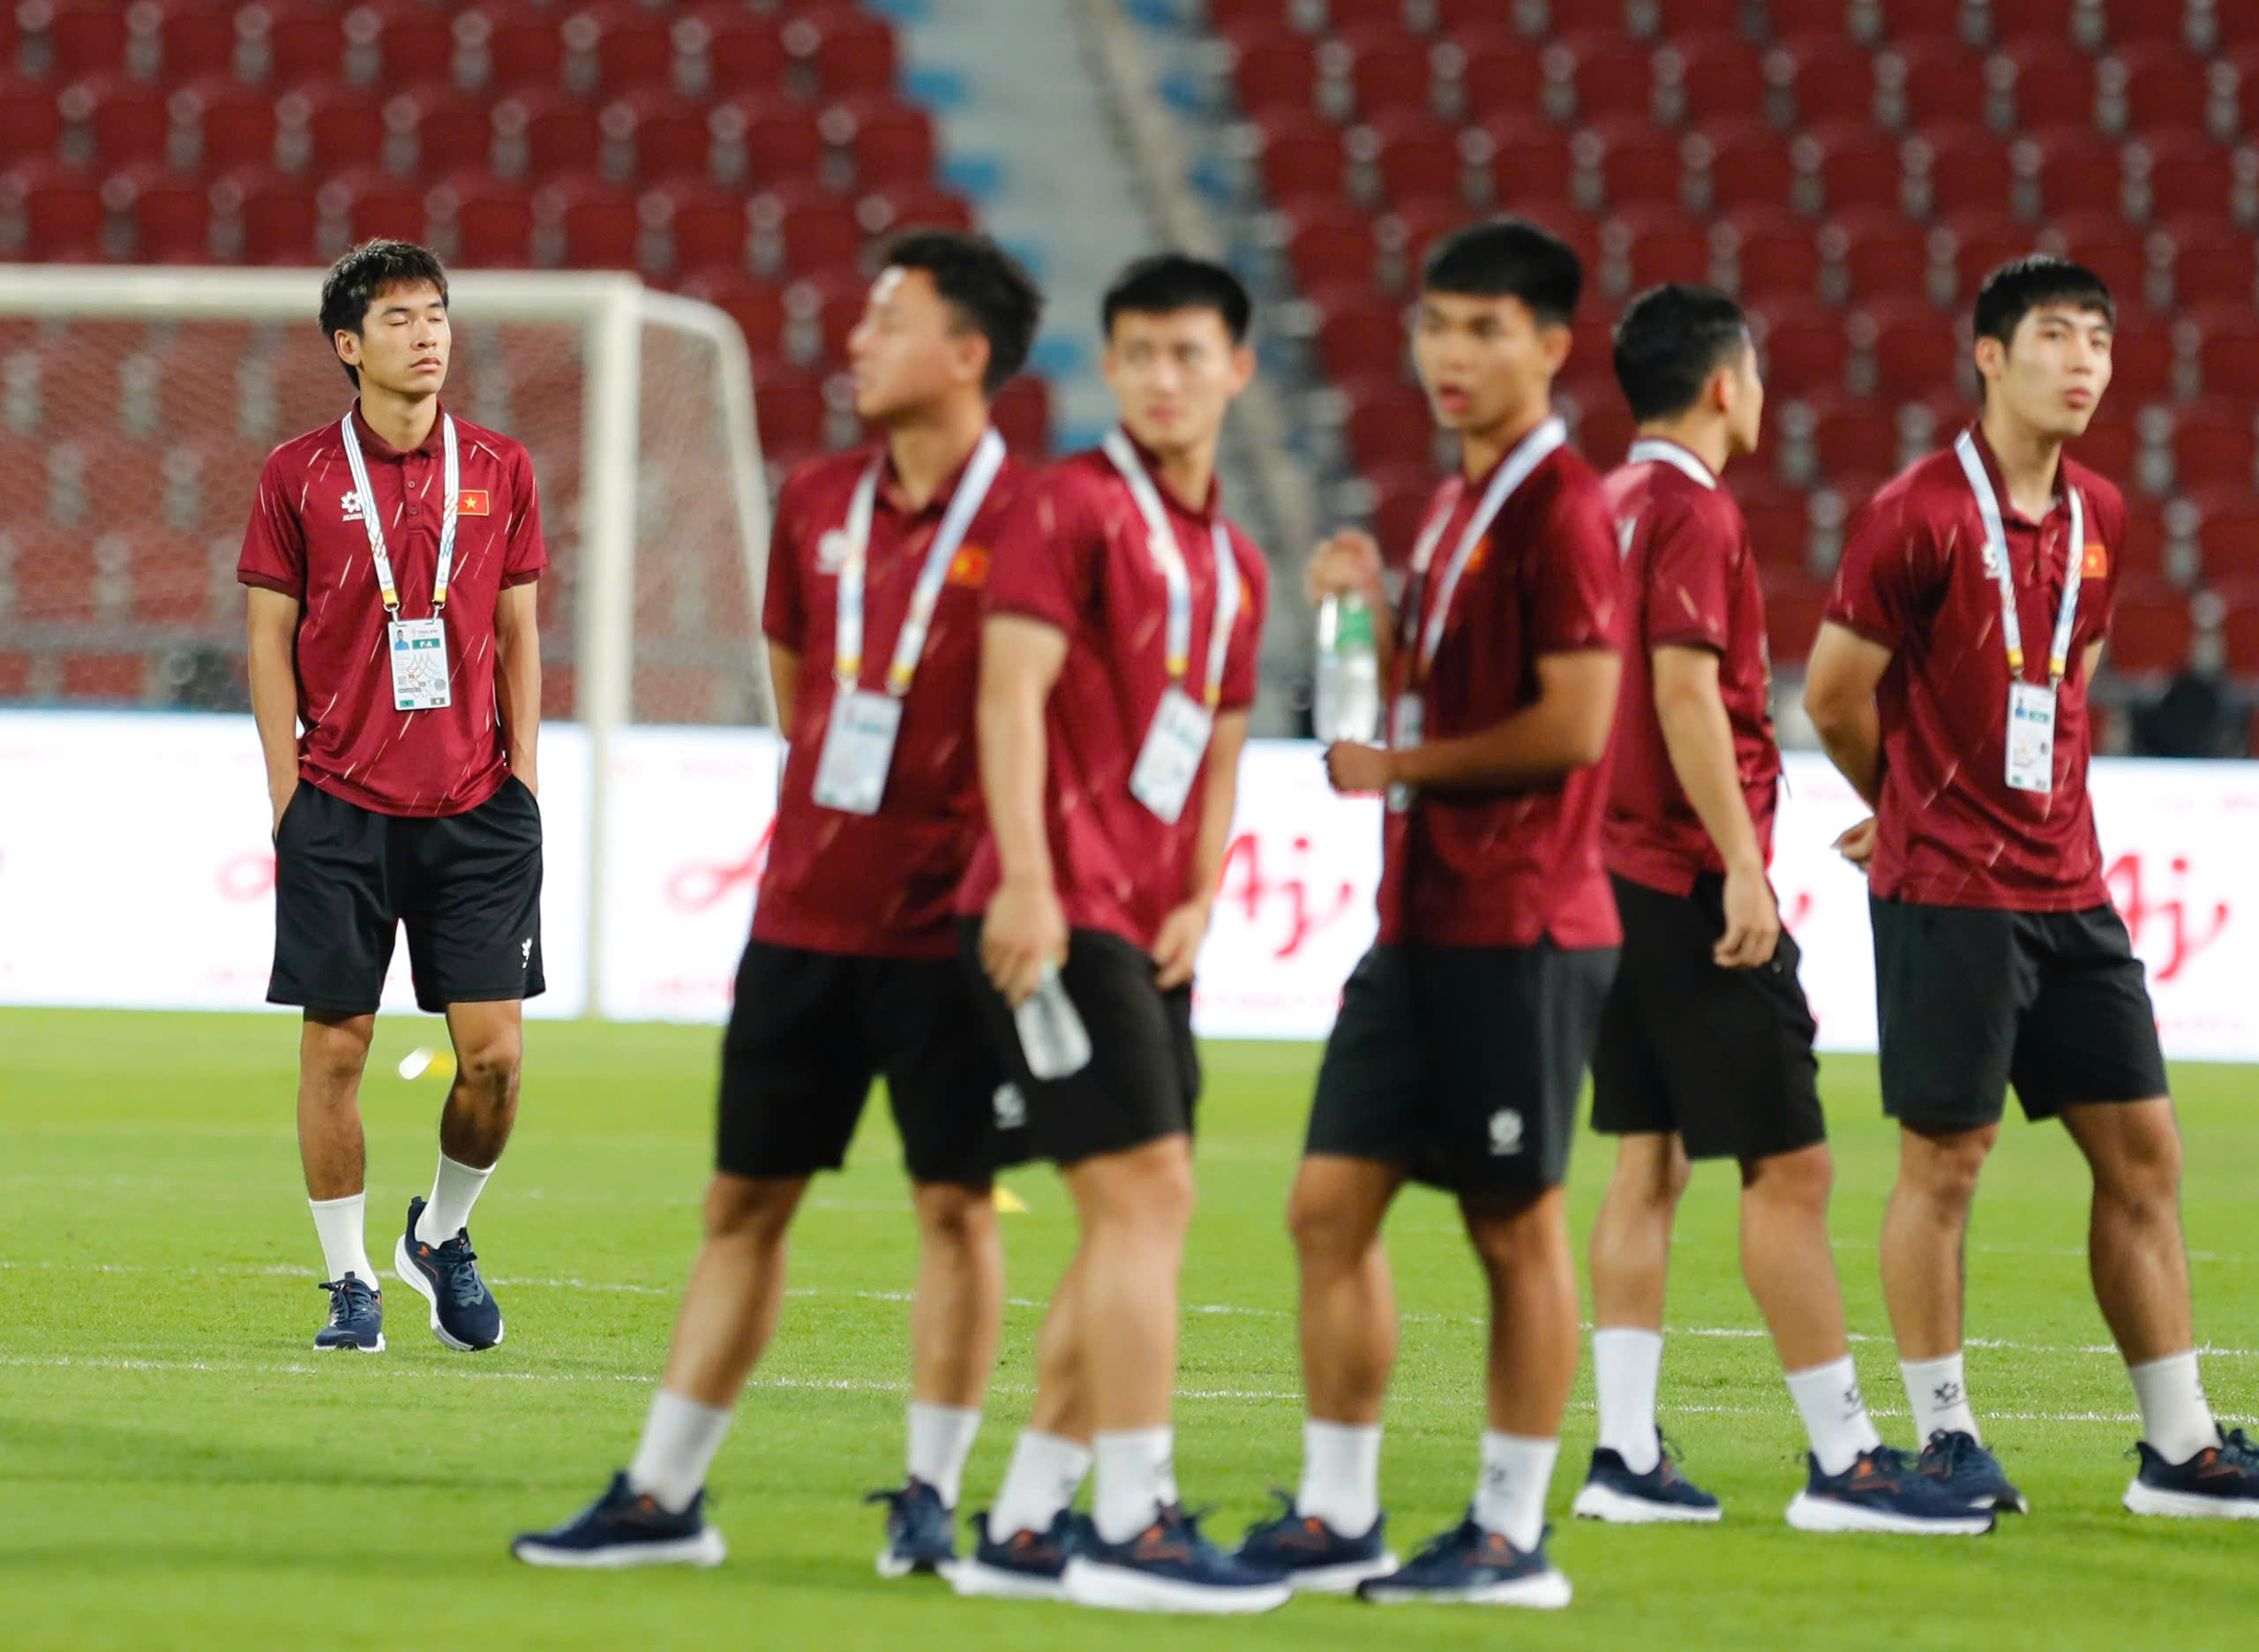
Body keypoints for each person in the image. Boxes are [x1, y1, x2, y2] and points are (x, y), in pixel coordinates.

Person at [512, 232, 1046, 1571]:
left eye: (889, 320)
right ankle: (662, 1497)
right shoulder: (814, 501)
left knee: (956, 1208)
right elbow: (801, 696)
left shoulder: (1040, 521)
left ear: (966, 353)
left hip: (953, 927)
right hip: (804, 918)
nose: (857, 341)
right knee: (742, 1208)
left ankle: (930, 1496)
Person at [1804, 254, 2259, 1518]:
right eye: (2054, 336)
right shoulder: (1914, 512)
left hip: (2069, 886)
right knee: (1946, 1163)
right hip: (1949, 889)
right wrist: (1907, 802)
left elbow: (2067, 673)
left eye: (2098, 340)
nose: (2082, 362)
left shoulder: (2102, 512)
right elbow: (1833, 695)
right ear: (1991, 356)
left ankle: (2179, 1448)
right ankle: (1946, 1439)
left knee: (2144, 1155)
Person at [1234, 218, 1621, 1608]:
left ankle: (1510, 1536)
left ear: (1552, 346)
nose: (1453, 354)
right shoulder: (1457, 502)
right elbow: (1452, 687)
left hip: (1522, 922)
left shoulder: (1562, 508)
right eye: (1438, 325)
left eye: (1487, 329)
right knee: (1326, 1210)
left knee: (1515, 1230)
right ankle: (1341, 1515)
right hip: (1422, 926)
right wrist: (1373, 621)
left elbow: (1576, 724)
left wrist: (1398, 769)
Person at [1572, 284, 1988, 1535]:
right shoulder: (1693, 511)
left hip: (1600, 873)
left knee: (1649, 1160)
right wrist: (1740, 867)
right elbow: (1685, 695)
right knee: (1788, 1168)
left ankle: (1624, 1456)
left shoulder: (1598, 504)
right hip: (1683, 876)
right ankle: (1845, 1461)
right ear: (1722, 385)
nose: (1760, 392)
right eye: (1752, 373)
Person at [950, 253, 1280, 1613]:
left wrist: (1198, 895)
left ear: (1237, 370)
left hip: (1146, 927)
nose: (1161, 378)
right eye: (1137, 353)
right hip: (1054, 911)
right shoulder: (1069, 505)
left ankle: (1030, 1523)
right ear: (1109, 366)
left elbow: (1222, 749)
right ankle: (1134, 1521)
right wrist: (1027, 880)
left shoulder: (1236, 564)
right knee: (1146, 1202)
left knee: (1133, 1218)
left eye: (1187, 353)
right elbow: (1008, 696)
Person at [240, 239, 544, 1357]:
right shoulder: (297, 474)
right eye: (400, 319)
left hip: (477, 805)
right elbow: (267, 642)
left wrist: (524, 776)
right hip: (338, 803)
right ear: (348, 345)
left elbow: (519, 630)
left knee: (494, 1060)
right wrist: (288, 796)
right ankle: (349, 1282)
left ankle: (442, 1236)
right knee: (335, 1052)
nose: (427, 336)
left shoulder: (501, 465)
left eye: (437, 315)